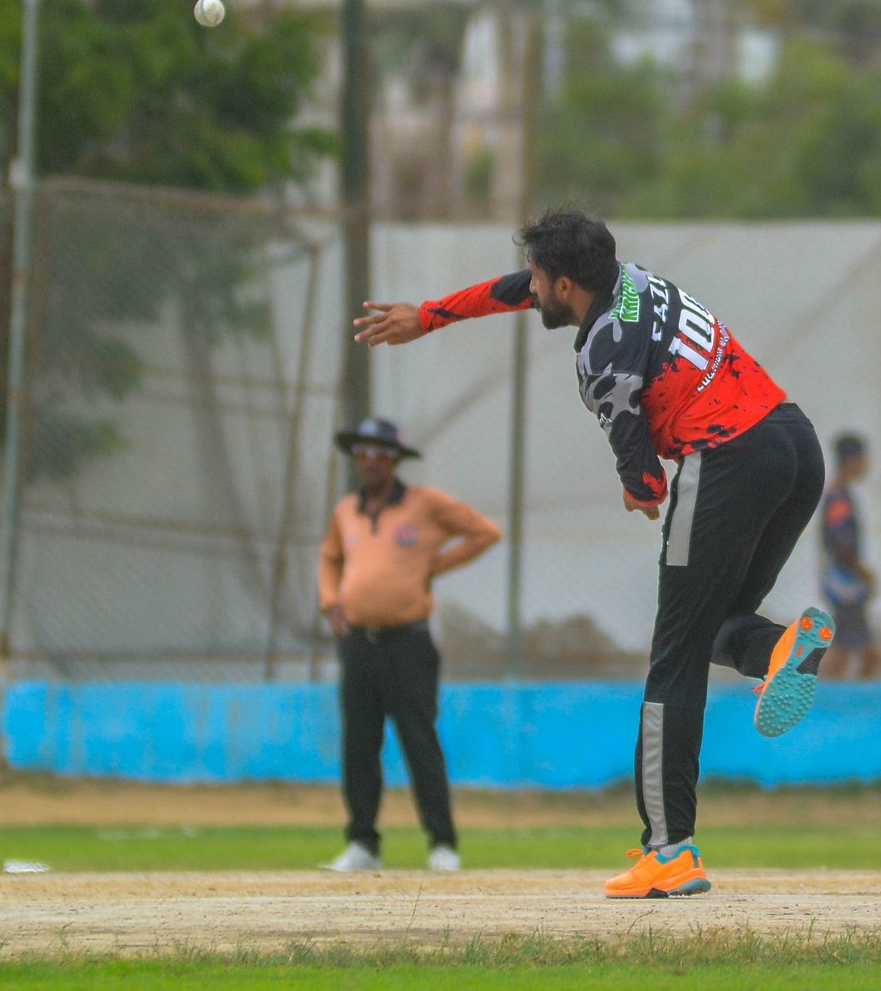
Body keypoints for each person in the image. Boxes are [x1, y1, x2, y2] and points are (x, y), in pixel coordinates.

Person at [353, 207, 834, 899]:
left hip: (726, 457)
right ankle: (781, 648)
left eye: (539, 279)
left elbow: (644, 480)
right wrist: (428, 316)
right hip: (794, 441)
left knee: (673, 656)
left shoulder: (602, 357)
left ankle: (668, 851)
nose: (530, 288)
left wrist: (638, 491)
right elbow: (515, 290)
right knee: (712, 627)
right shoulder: (633, 280)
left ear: (566, 285)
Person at [318, 416, 502, 874]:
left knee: (420, 741)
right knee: (359, 744)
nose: (369, 461)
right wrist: (330, 600)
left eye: (379, 453)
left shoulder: (425, 504)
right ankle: (363, 843)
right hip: (359, 643)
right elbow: (329, 558)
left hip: (408, 645)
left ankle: (442, 843)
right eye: (362, 453)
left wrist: (434, 566)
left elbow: (485, 532)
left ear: (395, 460)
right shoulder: (347, 511)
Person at [819, 433, 881, 679]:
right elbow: (842, 544)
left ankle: (827, 693)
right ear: (852, 460)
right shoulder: (839, 499)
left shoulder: (840, 494)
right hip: (844, 584)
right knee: (857, 652)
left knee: (853, 650)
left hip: (843, 583)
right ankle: (818, 693)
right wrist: (864, 573)